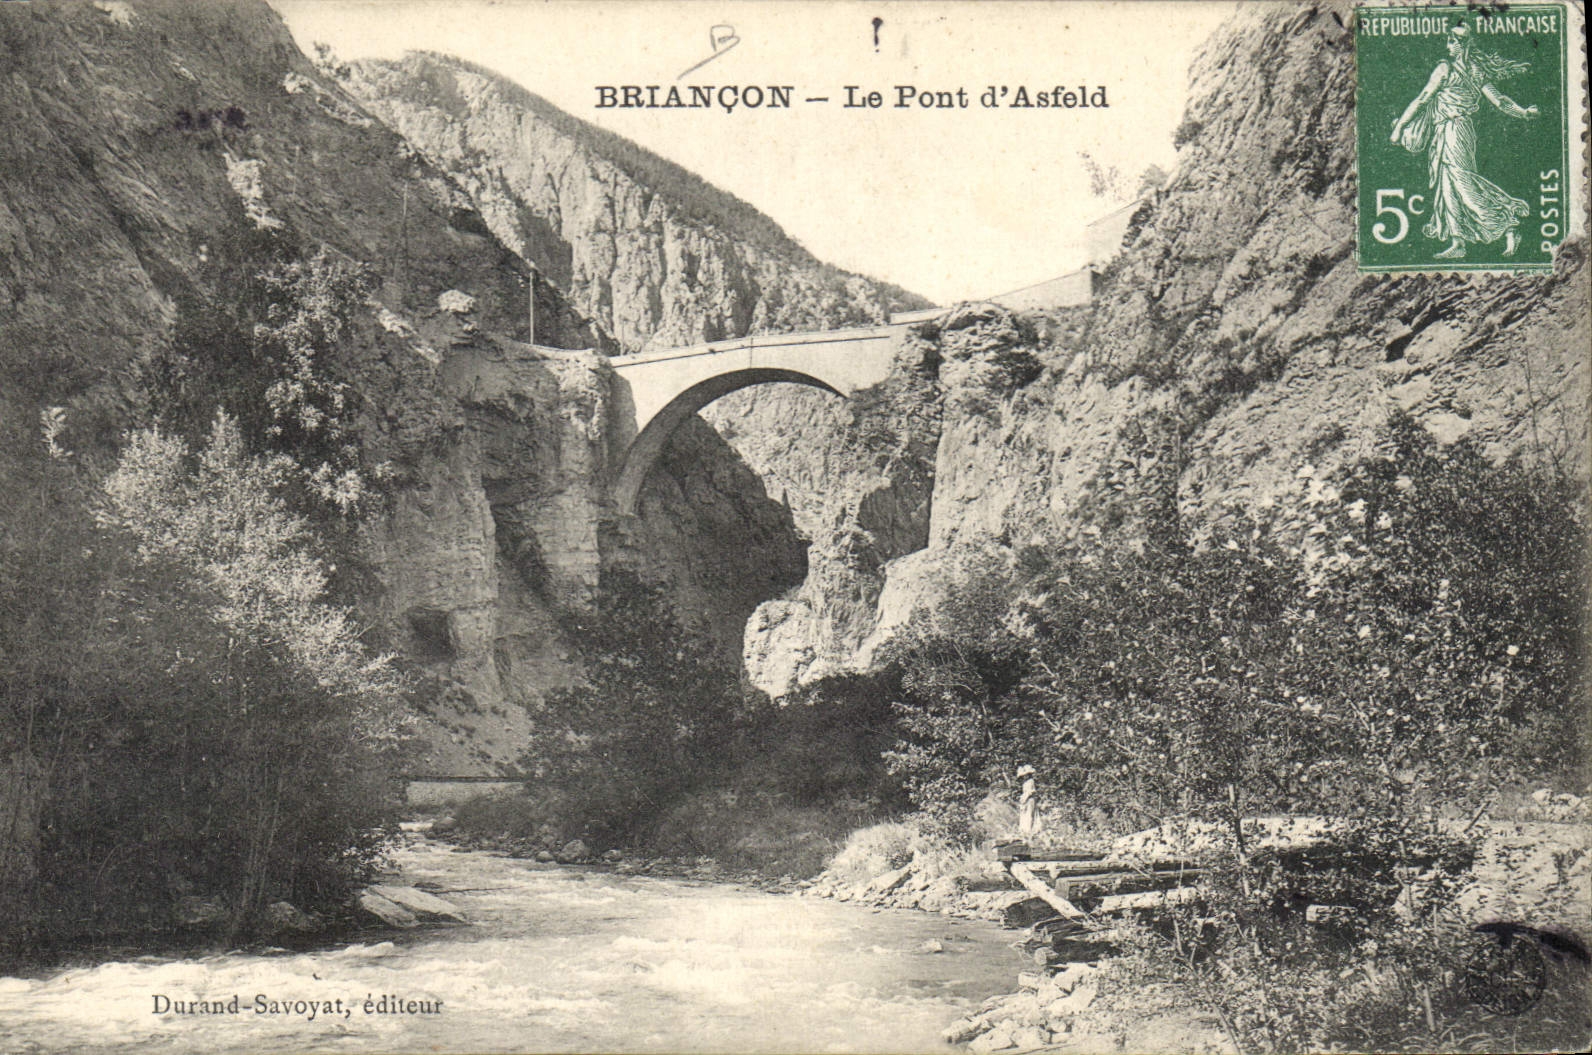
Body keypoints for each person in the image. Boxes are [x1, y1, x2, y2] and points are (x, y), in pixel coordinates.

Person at [1390, 23, 1538, 259]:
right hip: (1451, 130)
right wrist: (1524, 113)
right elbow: (1500, 101)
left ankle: (1508, 224)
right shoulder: (1475, 70)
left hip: (1454, 130)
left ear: (1462, 45)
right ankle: (1458, 242)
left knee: (1461, 182)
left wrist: (1399, 127)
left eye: (1451, 42)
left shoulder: (1445, 68)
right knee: (1447, 184)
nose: (1447, 46)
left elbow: (1422, 99)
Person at [1017, 764, 1039, 839]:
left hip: (1030, 800)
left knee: (1029, 814)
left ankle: (1029, 831)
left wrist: (1025, 798)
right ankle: (1024, 830)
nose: (1024, 777)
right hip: (1026, 800)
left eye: (1026, 775)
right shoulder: (1025, 782)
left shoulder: (1030, 781)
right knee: (1024, 814)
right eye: (1023, 776)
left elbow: (1031, 792)